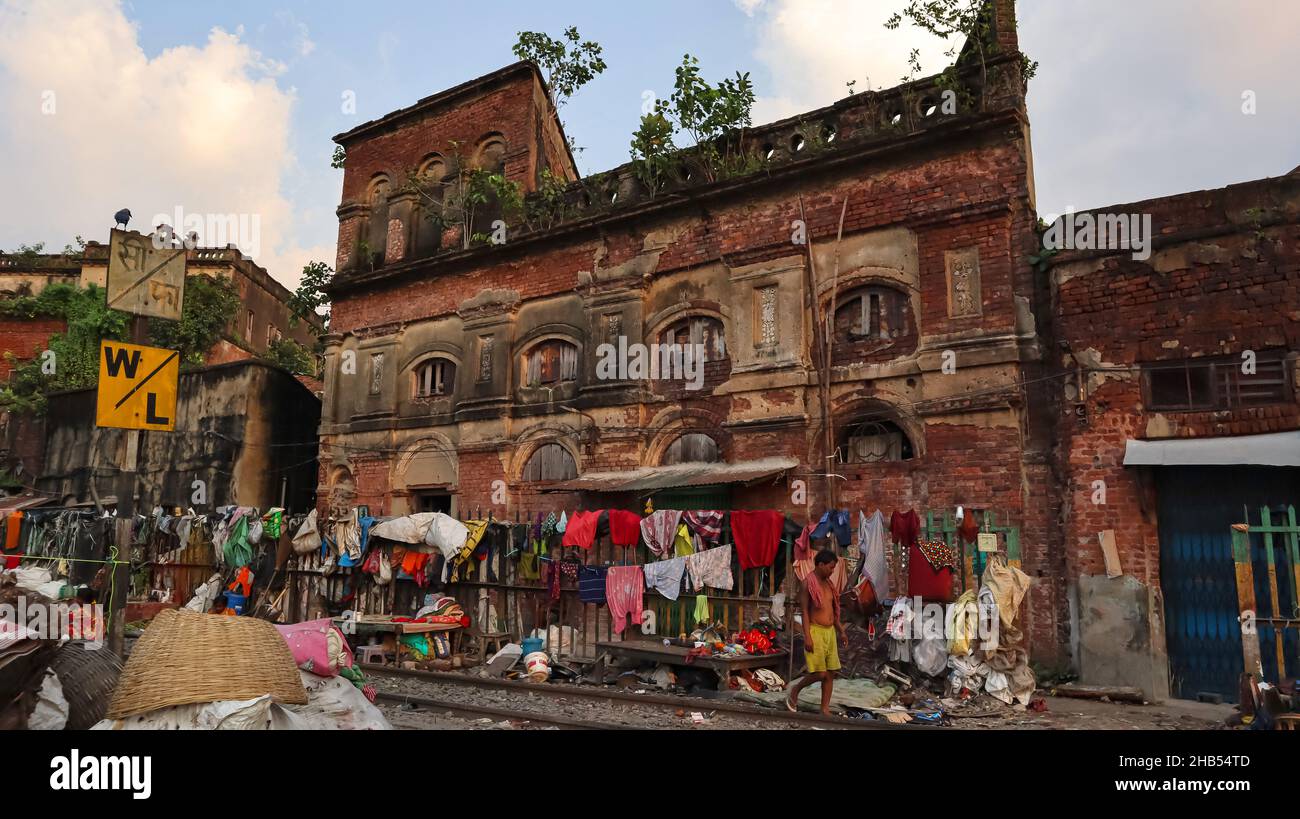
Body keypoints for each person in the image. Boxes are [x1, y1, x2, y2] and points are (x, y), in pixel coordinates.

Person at [786, 549, 845, 715]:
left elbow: (833, 612)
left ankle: (824, 709)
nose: (832, 571)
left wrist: (841, 631)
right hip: (815, 631)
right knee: (820, 673)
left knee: (830, 673)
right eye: (830, 567)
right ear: (820, 565)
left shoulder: (829, 584)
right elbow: (804, 611)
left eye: (834, 568)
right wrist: (808, 637)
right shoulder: (808, 583)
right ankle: (796, 690)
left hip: (830, 632)